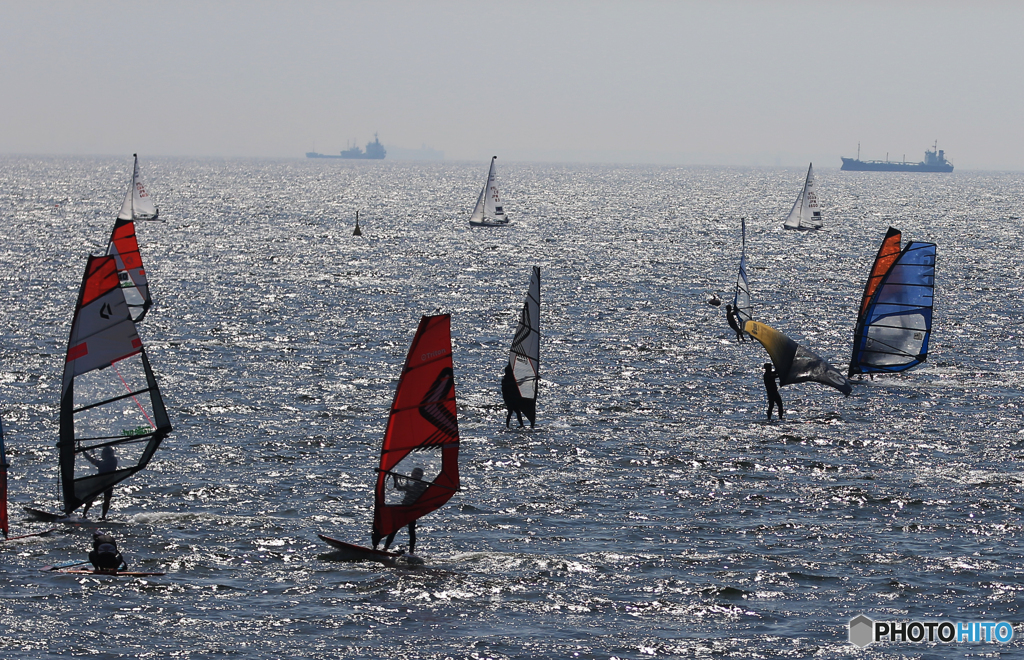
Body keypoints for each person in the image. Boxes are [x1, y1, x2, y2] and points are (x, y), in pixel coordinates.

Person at [374, 467, 429, 555]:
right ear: (412, 474)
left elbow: (414, 490)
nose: (416, 476)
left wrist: (407, 483)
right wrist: (395, 478)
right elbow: (399, 488)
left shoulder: (423, 485)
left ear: (421, 476)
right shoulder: (411, 484)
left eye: (418, 474)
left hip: (412, 510)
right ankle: (385, 548)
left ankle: (411, 552)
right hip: (403, 508)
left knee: (411, 530)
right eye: (414, 474)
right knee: (395, 528)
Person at [81, 446, 117, 519]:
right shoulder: (102, 463)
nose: (102, 455)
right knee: (91, 498)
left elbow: (99, 462)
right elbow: (91, 460)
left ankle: (103, 517)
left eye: (103, 453)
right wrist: (84, 452)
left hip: (108, 483)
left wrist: (96, 460)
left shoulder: (112, 460)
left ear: (107, 454)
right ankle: (84, 515)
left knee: (106, 499)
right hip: (100, 482)